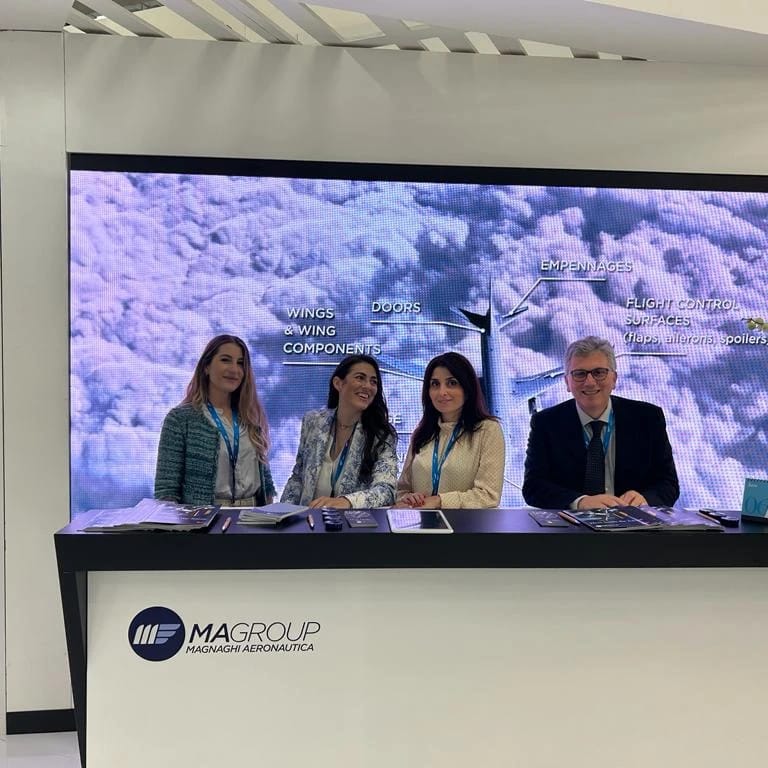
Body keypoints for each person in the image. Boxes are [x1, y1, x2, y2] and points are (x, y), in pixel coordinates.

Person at [522, 335, 679, 510]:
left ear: (614, 379)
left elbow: (669, 484)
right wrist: (580, 502)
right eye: (580, 374)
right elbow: (533, 487)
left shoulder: (648, 418)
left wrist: (645, 499)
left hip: (633, 522)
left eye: (599, 372)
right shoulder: (546, 423)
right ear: (567, 382)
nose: (590, 382)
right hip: (570, 524)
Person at [154, 334, 275, 506]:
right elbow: (166, 492)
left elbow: (266, 486)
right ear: (206, 367)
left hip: (254, 516)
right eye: (226, 360)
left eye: (240, 363)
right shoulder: (180, 420)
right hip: (205, 518)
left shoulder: (251, 418)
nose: (234, 369)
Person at [281, 354, 397, 509]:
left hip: (353, 521)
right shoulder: (313, 422)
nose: (368, 386)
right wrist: (282, 513)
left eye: (373, 381)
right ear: (338, 383)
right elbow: (298, 478)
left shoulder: (381, 434)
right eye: (360, 378)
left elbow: (386, 490)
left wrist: (346, 502)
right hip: (309, 519)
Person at [396, 352, 505, 509]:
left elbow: (488, 495)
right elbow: (402, 490)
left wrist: (440, 501)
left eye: (452, 383)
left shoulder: (488, 430)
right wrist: (408, 497)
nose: (442, 392)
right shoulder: (422, 433)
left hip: (466, 523)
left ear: (467, 389)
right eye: (435, 384)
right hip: (420, 521)